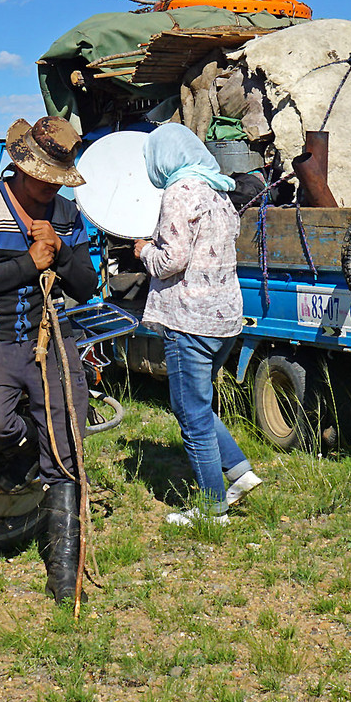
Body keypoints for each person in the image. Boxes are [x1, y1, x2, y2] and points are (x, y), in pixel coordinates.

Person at [0, 116, 98, 601]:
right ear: (22, 165)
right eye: (44, 177)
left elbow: (85, 287)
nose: (49, 188)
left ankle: (65, 577)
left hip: (52, 338)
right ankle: (30, 453)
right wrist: (26, 264)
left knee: (66, 449)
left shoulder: (67, 215)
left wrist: (59, 252)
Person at [133, 123, 262, 525]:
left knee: (190, 413)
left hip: (189, 318)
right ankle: (240, 472)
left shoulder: (179, 191)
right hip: (223, 317)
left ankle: (212, 508)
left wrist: (142, 252)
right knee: (197, 404)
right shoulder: (217, 190)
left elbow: (172, 260)